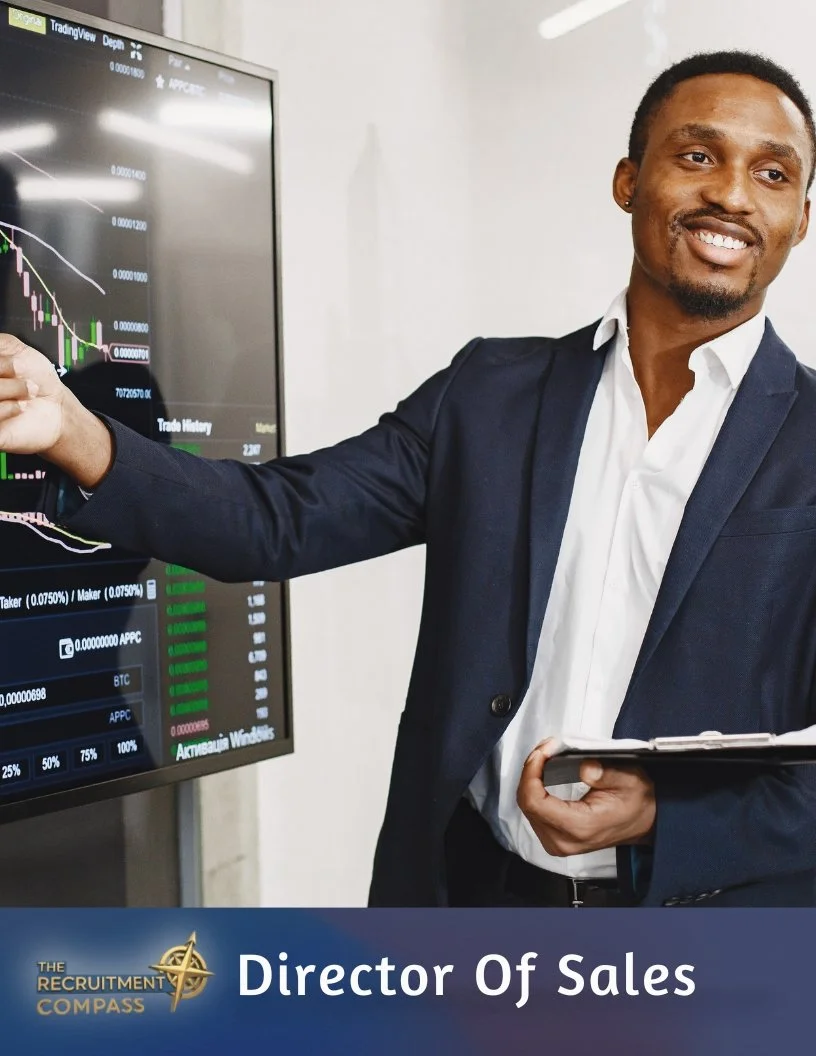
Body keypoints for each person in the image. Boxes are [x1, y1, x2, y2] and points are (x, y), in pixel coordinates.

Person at [1, 50, 815, 908]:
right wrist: (73, 430)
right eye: (697, 156)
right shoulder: (490, 395)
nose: (730, 193)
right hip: (468, 903)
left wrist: (664, 818)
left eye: (771, 172)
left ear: (800, 217)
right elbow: (277, 520)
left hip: (709, 944)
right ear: (628, 180)